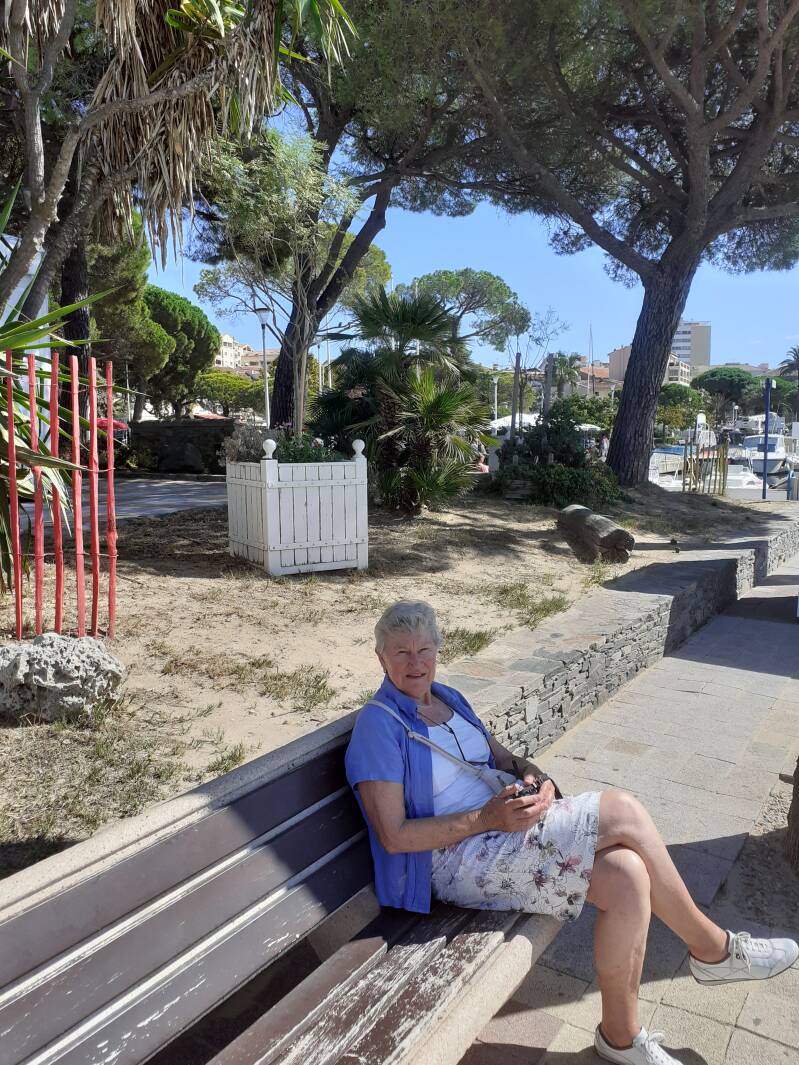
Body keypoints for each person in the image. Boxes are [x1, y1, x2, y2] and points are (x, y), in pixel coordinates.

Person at [346, 600, 798, 1065]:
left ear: (438, 652)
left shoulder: (448, 698)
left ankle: (620, 1038)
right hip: (456, 857)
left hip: (503, 826)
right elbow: (394, 836)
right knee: (623, 811)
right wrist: (487, 820)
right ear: (381, 658)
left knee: (627, 875)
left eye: (424, 649)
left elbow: (502, 759)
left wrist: (537, 779)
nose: (416, 662)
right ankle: (713, 950)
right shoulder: (379, 726)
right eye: (401, 652)